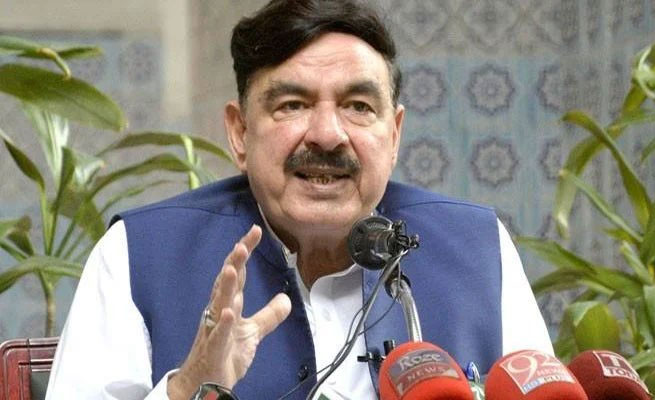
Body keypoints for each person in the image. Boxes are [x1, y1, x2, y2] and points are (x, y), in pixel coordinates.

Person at [46, 0, 553, 399]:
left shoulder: (478, 247)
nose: (328, 134)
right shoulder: (138, 255)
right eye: (293, 105)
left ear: (394, 134)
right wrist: (188, 388)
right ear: (240, 133)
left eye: (358, 106)